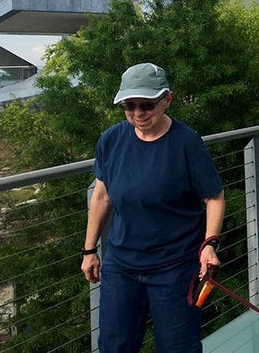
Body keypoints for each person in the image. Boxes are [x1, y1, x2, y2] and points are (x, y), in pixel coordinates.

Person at [81, 63, 225, 353]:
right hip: (121, 265)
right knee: (114, 346)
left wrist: (209, 245)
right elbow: (101, 197)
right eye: (129, 105)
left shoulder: (187, 143)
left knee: (177, 348)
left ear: (167, 99)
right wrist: (89, 250)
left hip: (176, 267)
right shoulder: (111, 140)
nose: (137, 113)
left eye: (146, 105)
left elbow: (214, 197)